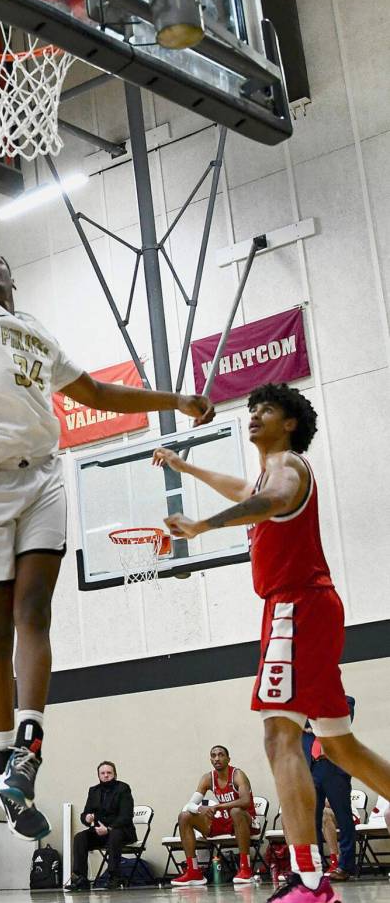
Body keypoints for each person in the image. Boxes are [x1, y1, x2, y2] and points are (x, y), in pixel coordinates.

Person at [0, 100, 214, 839]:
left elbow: (99, 393)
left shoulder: (37, 331)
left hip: (45, 474)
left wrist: (176, 396)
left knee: (36, 612)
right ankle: (1, 755)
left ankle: (29, 754)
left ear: (12, 274)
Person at [155, 382, 390, 902]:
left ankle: (309, 881)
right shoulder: (269, 470)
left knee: (279, 737)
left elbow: (272, 499)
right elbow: (243, 488)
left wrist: (201, 526)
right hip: (308, 606)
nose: (254, 415)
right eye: (252, 408)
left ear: (290, 423)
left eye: (266, 409)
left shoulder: (287, 466)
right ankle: (311, 878)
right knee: (341, 746)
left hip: (294, 607)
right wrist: (187, 468)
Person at [171, 744, 258, 886]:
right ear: (210, 760)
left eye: (221, 755)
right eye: (213, 755)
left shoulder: (237, 775)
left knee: (236, 811)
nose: (217, 758)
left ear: (228, 759)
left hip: (246, 819)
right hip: (224, 820)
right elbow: (190, 805)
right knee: (184, 816)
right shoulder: (207, 778)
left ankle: (246, 869)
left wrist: (218, 806)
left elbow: (245, 801)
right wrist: (201, 809)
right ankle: (194, 872)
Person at [303, 697, 357, 882]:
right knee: (312, 821)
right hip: (312, 768)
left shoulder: (345, 701)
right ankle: (315, 867)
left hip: (334, 767)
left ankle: (346, 866)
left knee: (343, 817)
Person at [65, 761, 135, 891]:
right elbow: (85, 813)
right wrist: (86, 818)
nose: (106, 775)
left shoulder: (123, 788)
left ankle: (114, 877)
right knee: (80, 837)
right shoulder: (94, 791)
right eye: (102, 773)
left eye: (109, 773)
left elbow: (126, 816)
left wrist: (108, 829)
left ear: (115, 774)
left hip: (121, 831)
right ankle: (81, 879)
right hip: (100, 832)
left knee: (114, 834)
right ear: (98, 775)